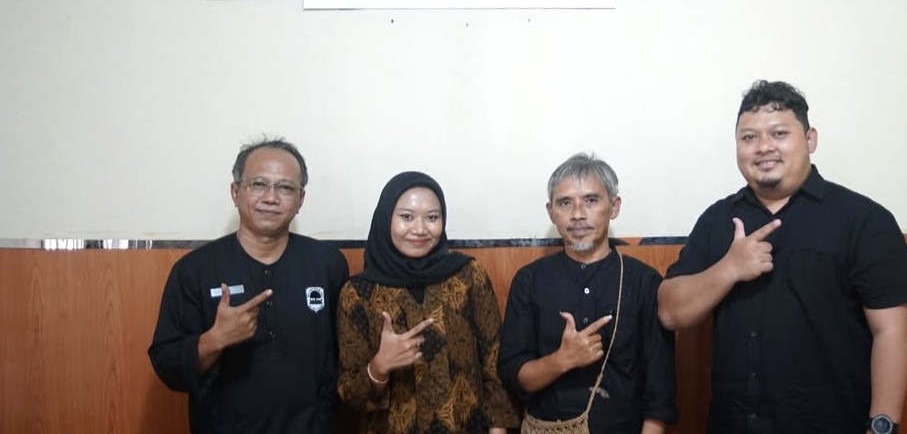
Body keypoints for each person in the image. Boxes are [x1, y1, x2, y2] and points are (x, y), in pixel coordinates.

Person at [657, 80, 907, 434]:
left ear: (810, 139)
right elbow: (670, 311)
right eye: (749, 138)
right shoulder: (718, 219)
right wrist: (729, 269)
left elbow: (894, 330)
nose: (764, 147)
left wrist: (883, 426)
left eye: (779, 133)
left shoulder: (864, 221)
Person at [148, 137, 350, 433]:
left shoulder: (327, 264)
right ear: (235, 192)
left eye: (285, 188)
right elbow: (166, 363)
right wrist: (215, 339)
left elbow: (343, 357)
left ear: (301, 199)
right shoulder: (195, 270)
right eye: (258, 184)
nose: (271, 197)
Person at [498, 153, 677, 434]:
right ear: (551, 212)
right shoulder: (530, 280)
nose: (578, 214)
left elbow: (660, 391)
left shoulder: (643, 281)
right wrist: (562, 360)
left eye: (591, 200)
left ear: (614, 206)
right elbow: (515, 376)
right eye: (565, 203)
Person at [336, 171, 520, 433]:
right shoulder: (358, 292)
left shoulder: (468, 275)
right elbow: (350, 395)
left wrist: (498, 429)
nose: (420, 229)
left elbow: (493, 360)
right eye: (406, 217)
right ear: (385, 218)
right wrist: (379, 366)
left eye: (432, 217)